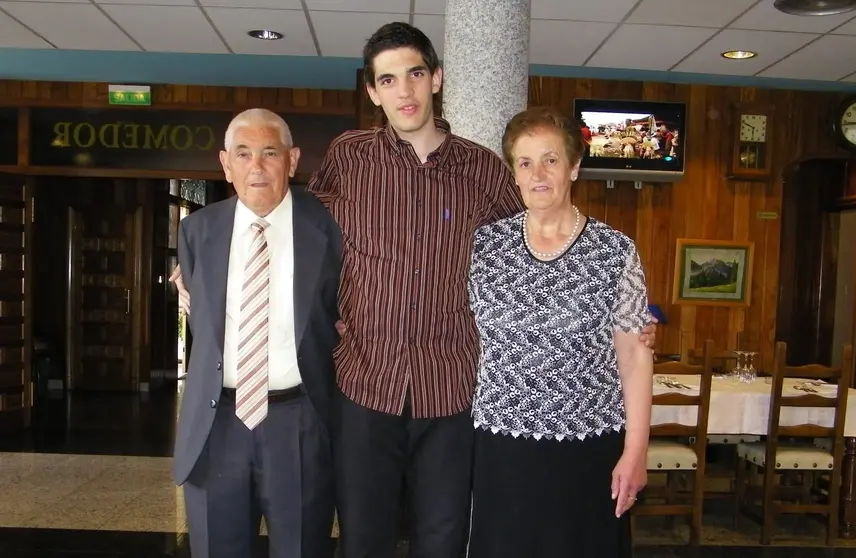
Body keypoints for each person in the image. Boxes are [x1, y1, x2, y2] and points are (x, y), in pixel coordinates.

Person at [171, 23, 657, 558]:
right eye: (388, 80)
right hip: (363, 390)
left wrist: (625, 313)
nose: (404, 91)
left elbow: (539, 237)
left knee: (443, 542)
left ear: (437, 79)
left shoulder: (483, 170)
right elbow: (290, 219)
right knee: (363, 542)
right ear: (373, 92)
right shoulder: (349, 158)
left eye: (416, 74)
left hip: (450, 394)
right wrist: (201, 265)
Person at [465, 107, 652, 558]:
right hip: (503, 446)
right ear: (514, 175)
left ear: (574, 167)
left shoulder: (614, 251)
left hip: (589, 447)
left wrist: (636, 450)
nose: (538, 173)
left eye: (550, 159)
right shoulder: (486, 247)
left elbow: (635, 357)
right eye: (524, 163)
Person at [172, 108, 341, 558]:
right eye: (243, 154)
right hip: (216, 423)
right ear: (226, 164)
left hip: (298, 420)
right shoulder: (196, 231)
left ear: (292, 160)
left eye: (270, 152)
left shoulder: (330, 228)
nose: (257, 166)